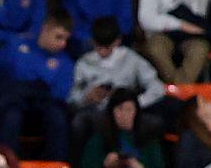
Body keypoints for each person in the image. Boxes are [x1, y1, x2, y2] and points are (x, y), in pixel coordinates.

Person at [0, 13, 74, 160]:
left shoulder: (65, 62)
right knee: (11, 115)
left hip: (40, 113)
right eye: (59, 37)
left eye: (66, 39)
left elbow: (60, 94)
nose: (63, 44)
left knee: (57, 116)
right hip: (11, 107)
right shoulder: (16, 46)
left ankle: (56, 166)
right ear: (45, 29)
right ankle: (8, 166)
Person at [68, 17, 167, 145]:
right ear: (92, 42)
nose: (102, 51)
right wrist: (86, 97)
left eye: (107, 46)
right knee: (79, 122)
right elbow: (71, 97)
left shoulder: (132, 59)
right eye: (99, 46)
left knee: (156, 122)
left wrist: (135, 104)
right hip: (99, 112)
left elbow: (157, 88)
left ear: (117, 41)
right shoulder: (83, 63)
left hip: (128, 111)